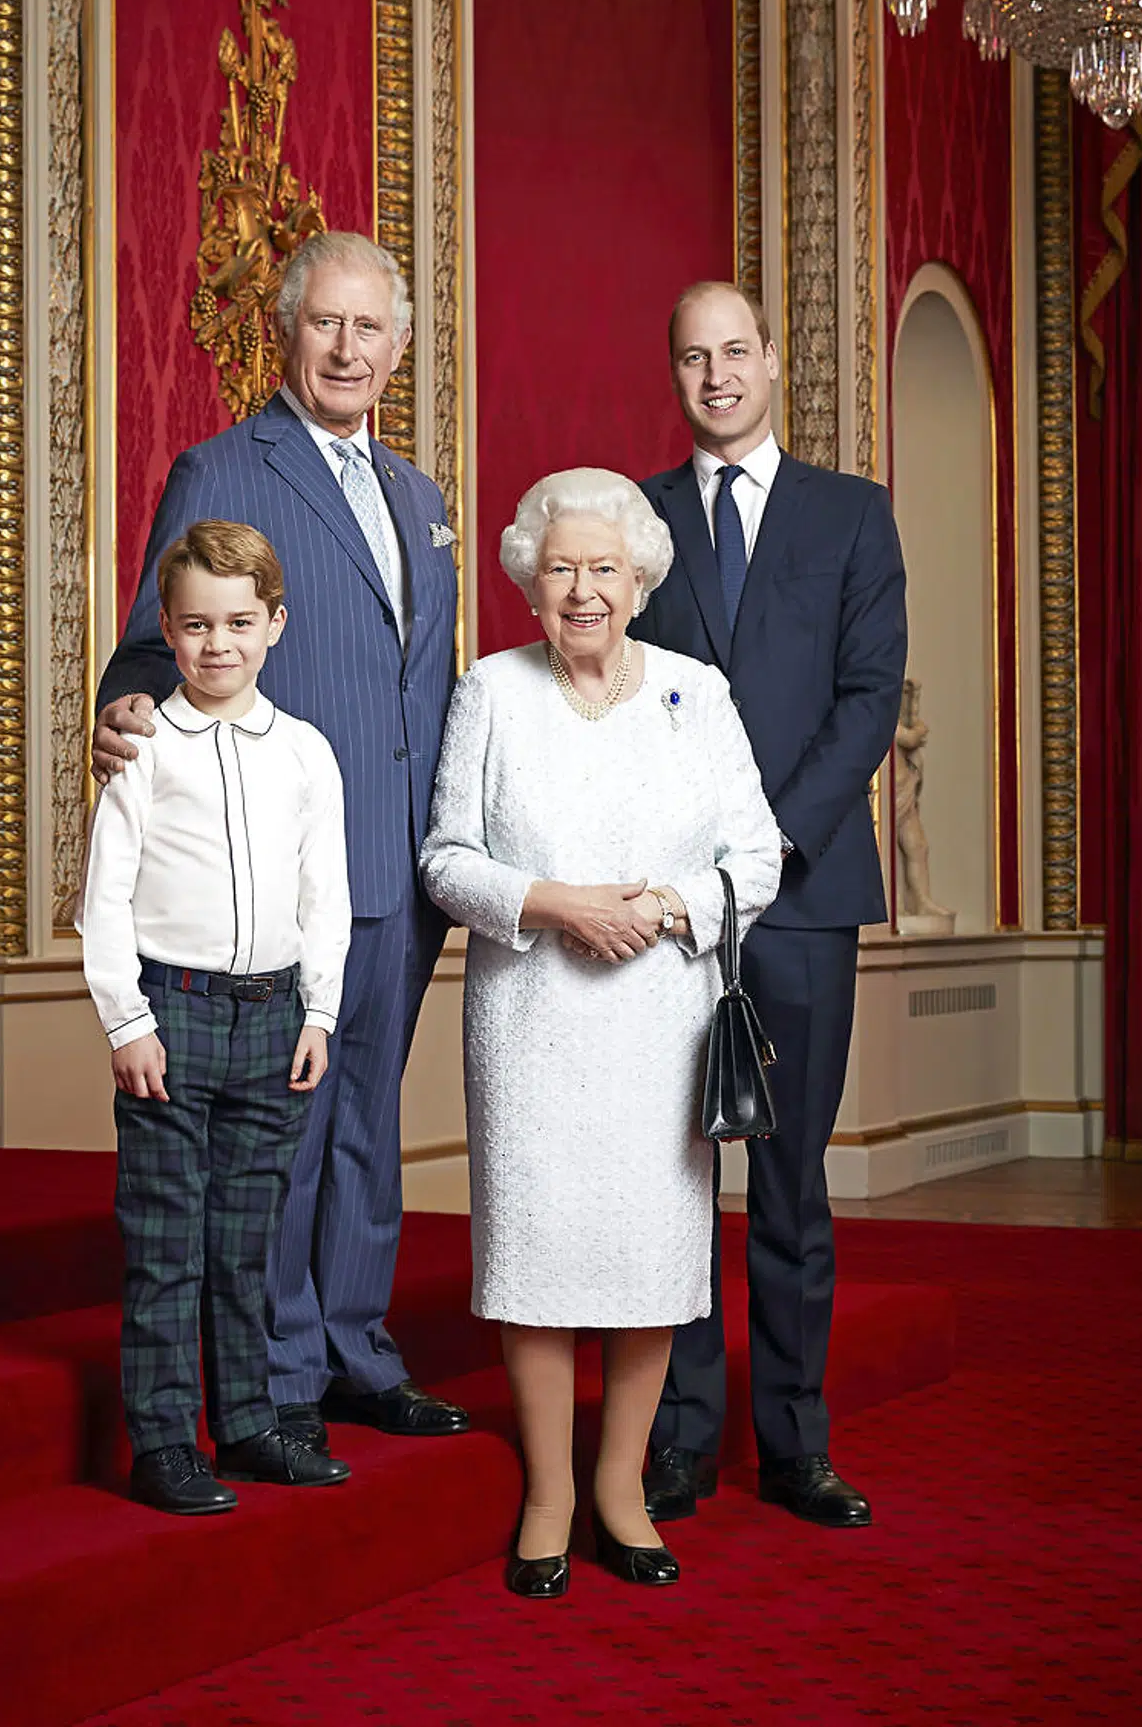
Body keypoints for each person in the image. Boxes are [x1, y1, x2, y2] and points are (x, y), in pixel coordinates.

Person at [92, 232, 468, 1455]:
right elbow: (157, 639)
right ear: (287, 331)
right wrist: (129, 707)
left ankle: (358, 1346)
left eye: (371, 329)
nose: (349, 349)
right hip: (287, 864)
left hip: (405, 867)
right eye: (327, 325)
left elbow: (426, 682)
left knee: (368, 1120)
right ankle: (278, 1376)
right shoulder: (223, 467)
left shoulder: (421, 496)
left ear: (399, 347)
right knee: (285, 1139)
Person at [420, 469, 782, 1598]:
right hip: (530, 1017)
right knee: (534, 1255)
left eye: (604, 569)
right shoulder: (492, 689)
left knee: (648, 1258)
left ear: (640, 579)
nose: (583, 590)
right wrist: (554, 903)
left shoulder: (697, 691)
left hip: (658, 1017)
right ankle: (548, 1491)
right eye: (562, 567)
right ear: (531, 579)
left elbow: (756, 855)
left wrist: (666, 907)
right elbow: (445, 857)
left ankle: (621, 1486)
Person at [632, 281, 907, 1530]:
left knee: (792, 1181)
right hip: (674, 905)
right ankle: (681, 1437)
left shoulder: (854, 516)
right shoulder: (630, 521)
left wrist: (770, 840)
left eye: (734, 351)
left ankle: (795, 1439)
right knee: (678, 1177)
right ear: (677, 373)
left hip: (800, 894)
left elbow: (867, 700)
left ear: (772, 363)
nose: (716, 375)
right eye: (694, 357)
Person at [79, 521, 352, 1509]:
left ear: (275, 623)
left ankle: (245, 1422)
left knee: (246, 1240)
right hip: (173, 1012)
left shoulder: (307, 754)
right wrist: (125, 1020)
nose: (219, 643)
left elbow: (327, 892)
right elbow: (102, 897)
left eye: (240, 621)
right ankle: (162, 1438)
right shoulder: (146, 746)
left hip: (273, 1016)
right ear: (168, 626)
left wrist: (319, 1010)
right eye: (197, 625)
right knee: (165, 1240)